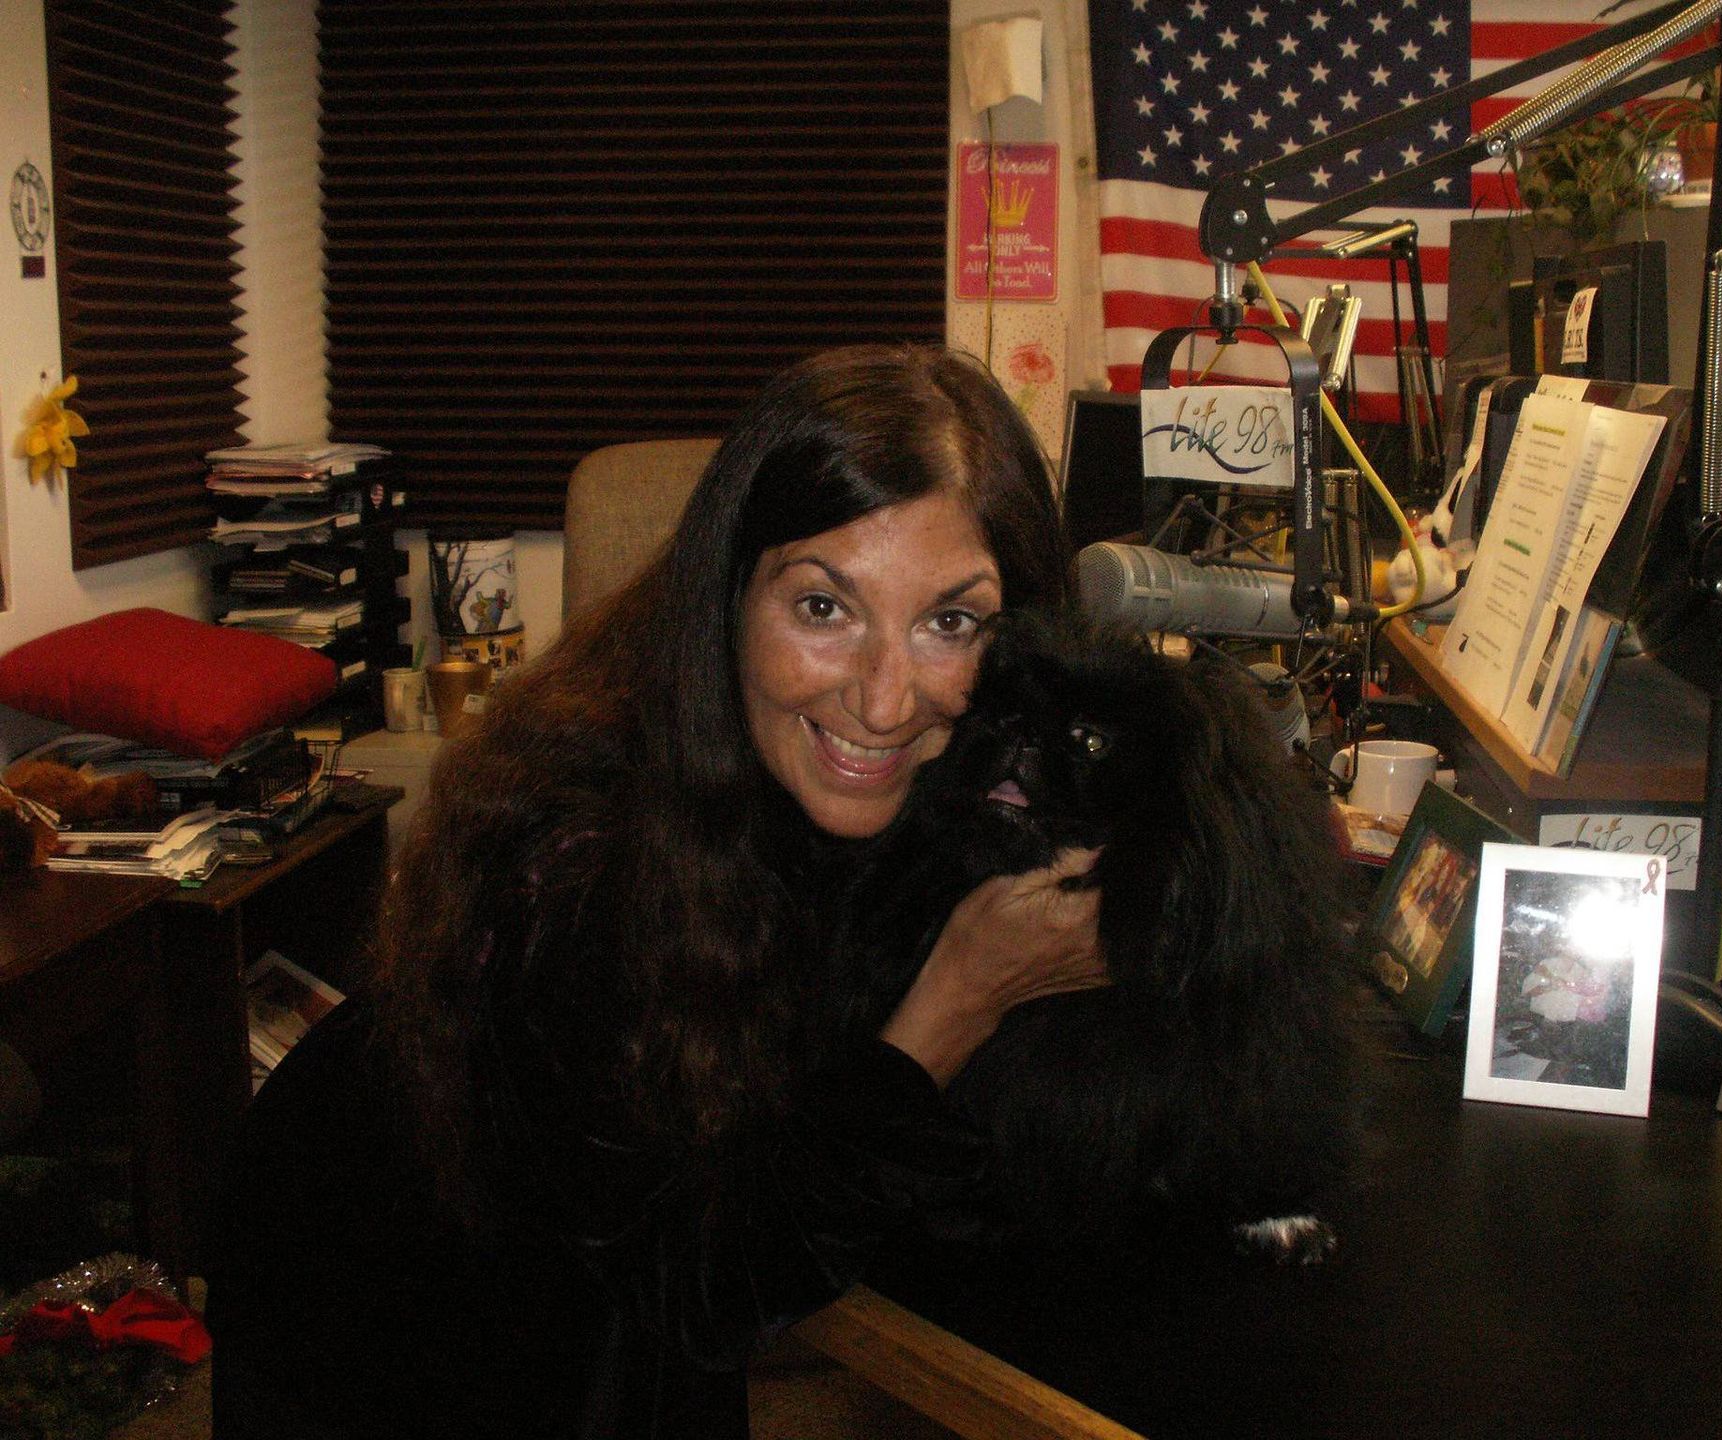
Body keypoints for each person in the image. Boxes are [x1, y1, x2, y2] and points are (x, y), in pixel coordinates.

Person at [206, 345, 1109, 1438]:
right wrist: (956, 1004)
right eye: (824, 608)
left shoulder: (895, 766)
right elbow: (709, 1284)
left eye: (949, 622)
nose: (883, 700)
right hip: (397, 1282)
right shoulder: (578, 855)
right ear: (728, 593)